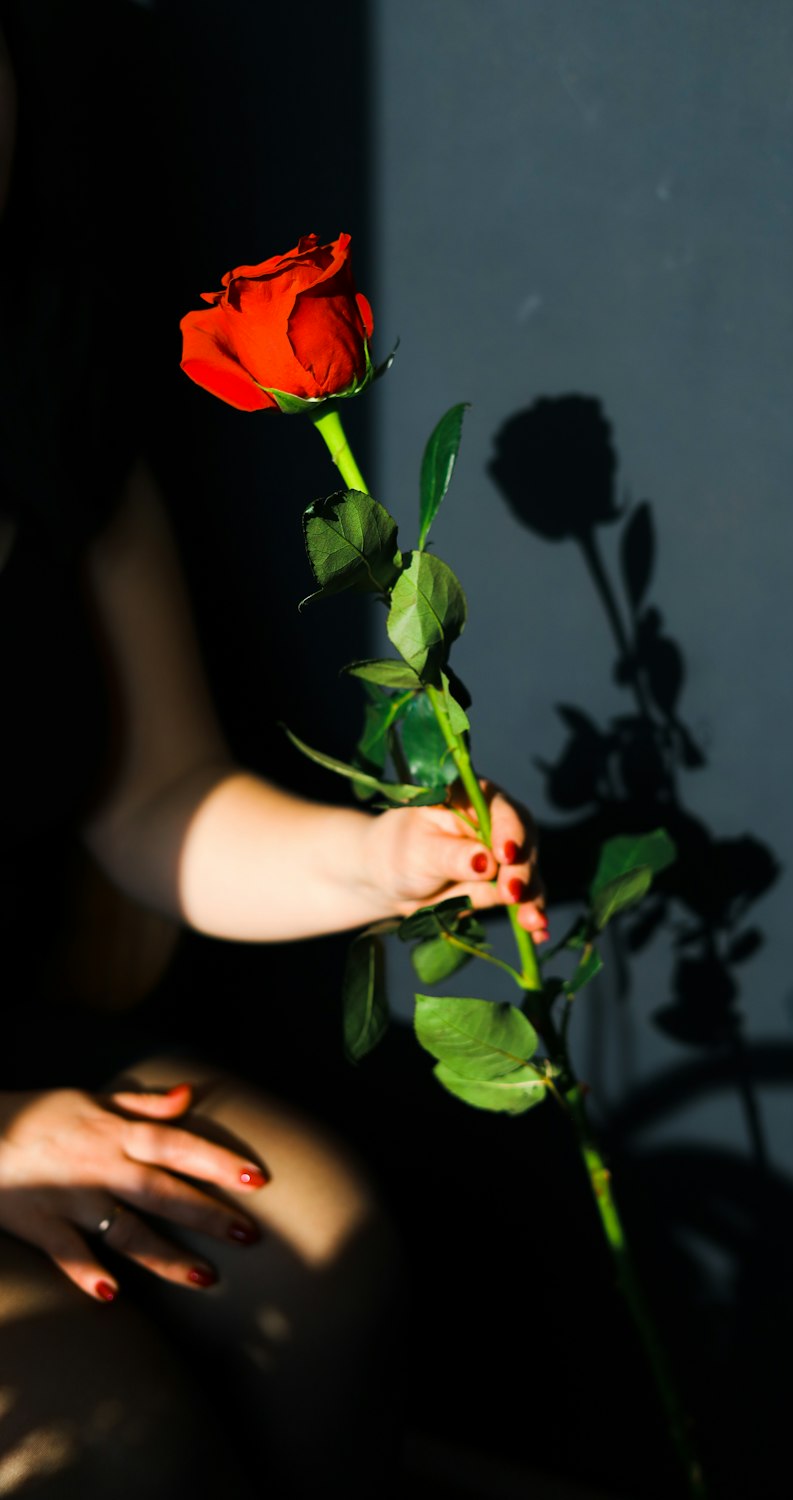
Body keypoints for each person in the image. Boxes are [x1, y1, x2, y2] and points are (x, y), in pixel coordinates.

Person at [0, 5, 546, 1495]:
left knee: (333, 1265)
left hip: (30, 1051)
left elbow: (161, 805)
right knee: (125, 1447)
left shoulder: (46, 427)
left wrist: (385, 857)